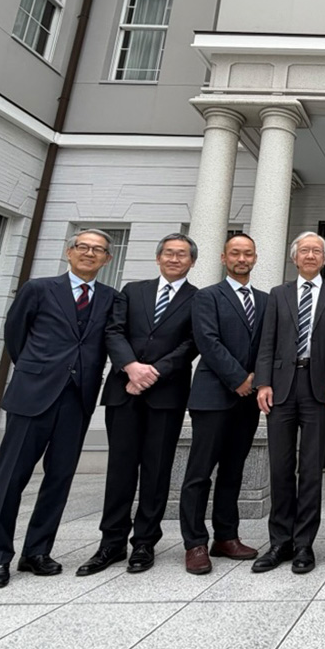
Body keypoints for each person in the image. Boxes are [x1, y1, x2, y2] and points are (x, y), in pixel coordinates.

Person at [0, 230, 115, 589]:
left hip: (77, 399)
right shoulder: (38, 289)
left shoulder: (110, 298)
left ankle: (36, 551)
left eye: (98, 250)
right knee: (10, 478)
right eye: (83, 247)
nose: (89, 253)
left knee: (58, 479)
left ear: (107, 259)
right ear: (69, 252)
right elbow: (16, 335)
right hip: (32, 396)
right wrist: (38, 370)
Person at [77, 233, 198, 576]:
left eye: (182, 254)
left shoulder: (198, 298)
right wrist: (131, 367)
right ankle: (111, 542)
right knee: (120, 469)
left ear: (192, 262)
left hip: (166, 394)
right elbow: (113, 331)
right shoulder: (132, 291)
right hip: (124, 391)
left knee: (157, 471)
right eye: (169, 253)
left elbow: (192, 343)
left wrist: (153, 372)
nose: (174, 259)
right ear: (158, 258)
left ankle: (144, 542)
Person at [253, 231, 325, 574]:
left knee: (310, 469)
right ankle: (280, 541)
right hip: (280, 387)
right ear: (294, 258)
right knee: (280, 467)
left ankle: (305, 543)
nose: (310, 255)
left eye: (316, 251)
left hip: (318, 387)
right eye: (304, 250)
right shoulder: (278, 294)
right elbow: (267, 342)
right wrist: (263, 382)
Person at [180, 233, 268, 575]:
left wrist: (257, 378)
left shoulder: (265, 300)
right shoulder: (207, 297)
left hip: (247, 401)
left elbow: (269, 345)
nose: (241, 259)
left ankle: (226, 536)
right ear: (223, 258)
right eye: (235, 253)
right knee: (199, 472)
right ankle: (195, 543)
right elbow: (208, 341)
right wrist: (239, 378)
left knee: (233, 470)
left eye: (248, 253)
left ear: (255, 258)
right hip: (213, 396)